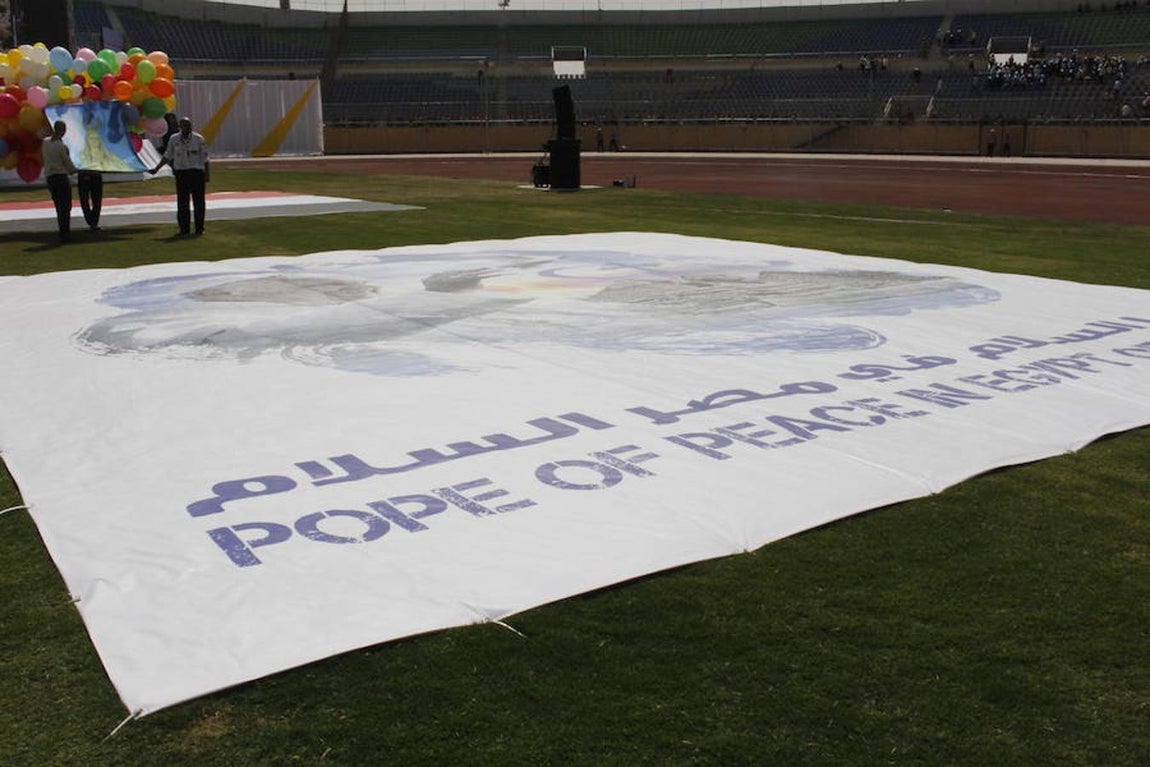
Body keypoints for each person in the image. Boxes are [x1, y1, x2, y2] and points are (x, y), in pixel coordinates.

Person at [149, 116, 210, 236]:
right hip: (182, 173)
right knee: (182, 203)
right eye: (184, 125)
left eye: (189, 125)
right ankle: (184, 229)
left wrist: (207, 175)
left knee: (199, 202)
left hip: (196, 173)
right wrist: (157, 168)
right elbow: (168, 155)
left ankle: (199, 228)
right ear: (180, 127)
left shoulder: (198, 138)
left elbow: (205, 158)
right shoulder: (174, 139)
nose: (187, 127)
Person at [41, 120, 79, 243]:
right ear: (62, 131)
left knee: (59, 206)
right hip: (60, 177)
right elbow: (67, 162)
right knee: (65, 207)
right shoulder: (60, 146)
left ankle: (62, 232)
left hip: (50, 177)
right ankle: (65, 233)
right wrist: (75, 170)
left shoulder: (45, 142)